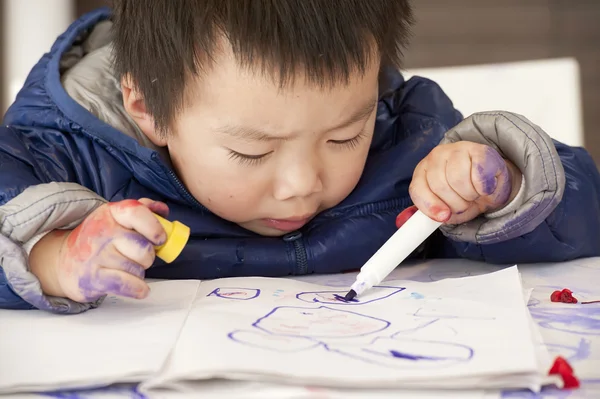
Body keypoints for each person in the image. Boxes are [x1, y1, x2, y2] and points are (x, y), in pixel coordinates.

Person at [1, 1, 599, 313]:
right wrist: (51, 258)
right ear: (146, 107)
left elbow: (585, 216)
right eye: (250, 150)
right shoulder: (64, 151)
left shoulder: (406, 131)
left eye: (344, 137)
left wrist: (506, 191)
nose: (302, 183)